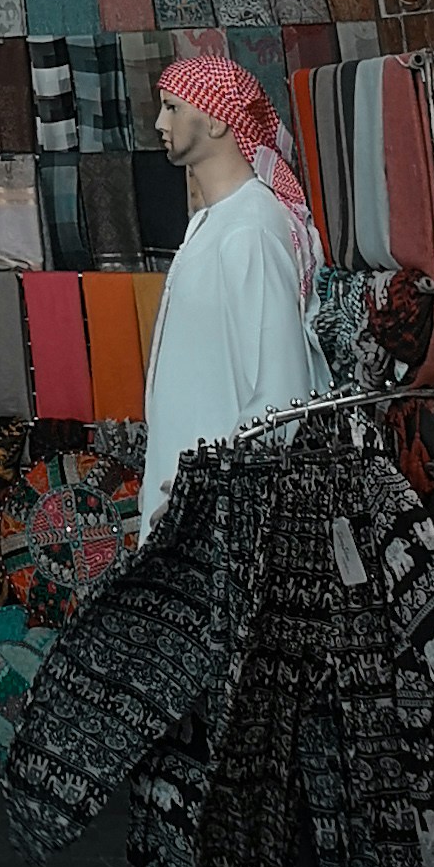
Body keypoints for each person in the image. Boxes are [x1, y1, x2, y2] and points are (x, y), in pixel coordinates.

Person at [141, 56, 327, 534]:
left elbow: (281, 397)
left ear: (217, 120)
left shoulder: (251, 229)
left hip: (223, 523)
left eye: (172, 107)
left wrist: (209, 499)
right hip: (190, 512)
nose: (160, 123)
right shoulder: (214, 222)